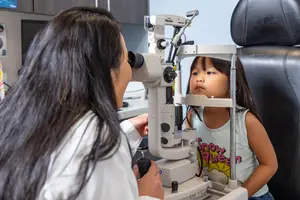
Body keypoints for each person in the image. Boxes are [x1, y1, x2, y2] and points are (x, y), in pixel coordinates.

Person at [0, 7, 163, 200]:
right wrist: (145, 196)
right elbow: (90, 157)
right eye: (127, 60)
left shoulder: (17, 117)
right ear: (108, 72)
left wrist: (127, 131)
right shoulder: (98, 140)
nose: (131, 71)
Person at [185, 56, 278, 200]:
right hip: (214, 193)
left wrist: (240, 194)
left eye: (209, 72)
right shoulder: (193, 116)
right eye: (194, 73)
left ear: (232, 84)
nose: (199, 78)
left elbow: (270, 165)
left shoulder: (246, 121)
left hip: (250, 195)